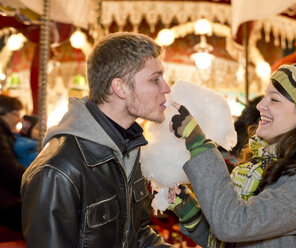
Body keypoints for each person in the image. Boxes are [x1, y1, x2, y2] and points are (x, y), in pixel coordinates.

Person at [168, 64, 296, 247]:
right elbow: (235, 241)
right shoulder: (262, 162)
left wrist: (199, 144)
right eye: (265, 97)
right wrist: (192, 214)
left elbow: (235, 225)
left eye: (274, 99)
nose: (261, 105)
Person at [21, 32, 172, 248]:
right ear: (120, 88)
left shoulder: (129, 147)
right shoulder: (58, 171)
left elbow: (136, 235)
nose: (165, 88)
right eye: (155, 79)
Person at [0, 94, 25, 233]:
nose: (18, 119)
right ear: (2, 111)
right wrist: (32, 175)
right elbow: (8, 167)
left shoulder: (5, 132)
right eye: (15, 114)